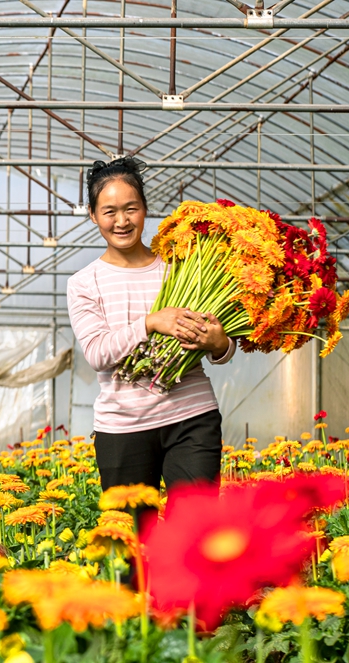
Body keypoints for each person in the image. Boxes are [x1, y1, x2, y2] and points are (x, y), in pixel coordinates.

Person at [66, 157, 235, 492]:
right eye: (109, 211)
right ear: (93, 214)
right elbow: (98, 354)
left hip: (192, 416)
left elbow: (223, 345)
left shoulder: (181, 268)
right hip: (123, 426)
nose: (122, 221)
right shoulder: (85, 283)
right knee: (129, 537)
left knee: (191, 530)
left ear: (144, 209)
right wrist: (151, 322)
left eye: (131, 208)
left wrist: (219, 344)